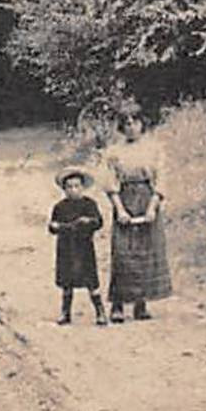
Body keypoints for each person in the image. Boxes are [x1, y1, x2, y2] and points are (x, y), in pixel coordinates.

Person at [104, 117, 173, 322]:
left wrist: (152, 207)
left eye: (135, 122)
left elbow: (161, 180)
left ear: (143, 124)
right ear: (121, 127)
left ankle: (140, 304)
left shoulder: (154, 149)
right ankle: (117, 304)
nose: (131, 127)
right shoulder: (113, 152)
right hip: (125, 198)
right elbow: (110, 183)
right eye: (126, 123)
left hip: (147, 197)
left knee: (145, 251)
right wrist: (120, 210)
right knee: (123, 252)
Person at [48, 168, 107, 325]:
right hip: (66, 248)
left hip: (84, 247)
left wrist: (88, 221)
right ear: (64, 189)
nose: (73, 190)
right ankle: (65, 313)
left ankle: (100, 312)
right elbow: (52, 226)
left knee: (91, 281)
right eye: (69, 187)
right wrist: (58, 226)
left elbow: (99, 222)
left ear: (83, 187)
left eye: (77, 186)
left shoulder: (89, 204)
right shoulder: (60, 207)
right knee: (66, 282)